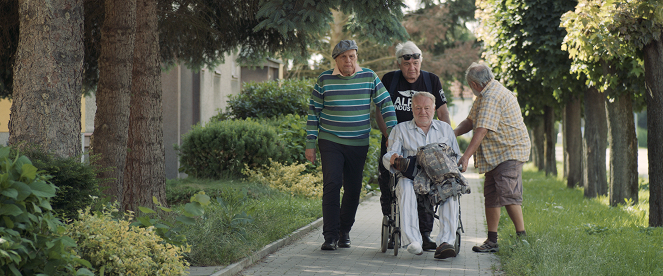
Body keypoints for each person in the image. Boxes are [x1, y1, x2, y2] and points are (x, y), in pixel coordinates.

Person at [306, 40, 398, 251]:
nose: (348, 61)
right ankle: (329, 236)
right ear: (336, 59)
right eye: (343, 57)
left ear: (356, 57)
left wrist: (393, 133)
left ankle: (344, 230)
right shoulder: (324, 79)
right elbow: (314, 112)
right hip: (330, 140)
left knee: (354, 189)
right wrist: (310, 143)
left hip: (358, 142)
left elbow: (385, 103)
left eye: (352, 56)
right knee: (332, 184)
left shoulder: (369, 77)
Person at [376, 41, 450, 251]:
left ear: (420, 62)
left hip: (426, 146)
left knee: (425, 186)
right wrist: (389, 138)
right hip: (395, 143)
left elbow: (443, 113)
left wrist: (444, 142)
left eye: (416, 63)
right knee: (388, 184)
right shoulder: (390, 80)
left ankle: (425, 234)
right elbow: (379, 113)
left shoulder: (431, 80)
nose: (412, 68)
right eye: (407, 64)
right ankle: (392, 227)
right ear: (400, 63)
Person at [454, 62, 531, 253]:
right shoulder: (483, 96)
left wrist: (465, 157)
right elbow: (471, 121)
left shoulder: (491, 97)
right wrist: (450, 133)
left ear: (473, 84)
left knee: (508, 193)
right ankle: (492, 241)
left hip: (510, 150)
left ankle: (523, 239)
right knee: (491, 195)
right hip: (496, 154)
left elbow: (481, 130)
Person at [382, 91, 461, 258]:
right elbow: (389, 155)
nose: (422, 112)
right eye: (418, 107)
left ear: (433, 109)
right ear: (412, 109)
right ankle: (413, 241)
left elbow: (456, 156)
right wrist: (394, 158)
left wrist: (461, 164)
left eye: (426, 108)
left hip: (439, 178)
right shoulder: (400, 129)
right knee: (404, 185)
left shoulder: (445, 129)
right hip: (412, 176)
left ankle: (446, 242)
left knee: (450, 189)